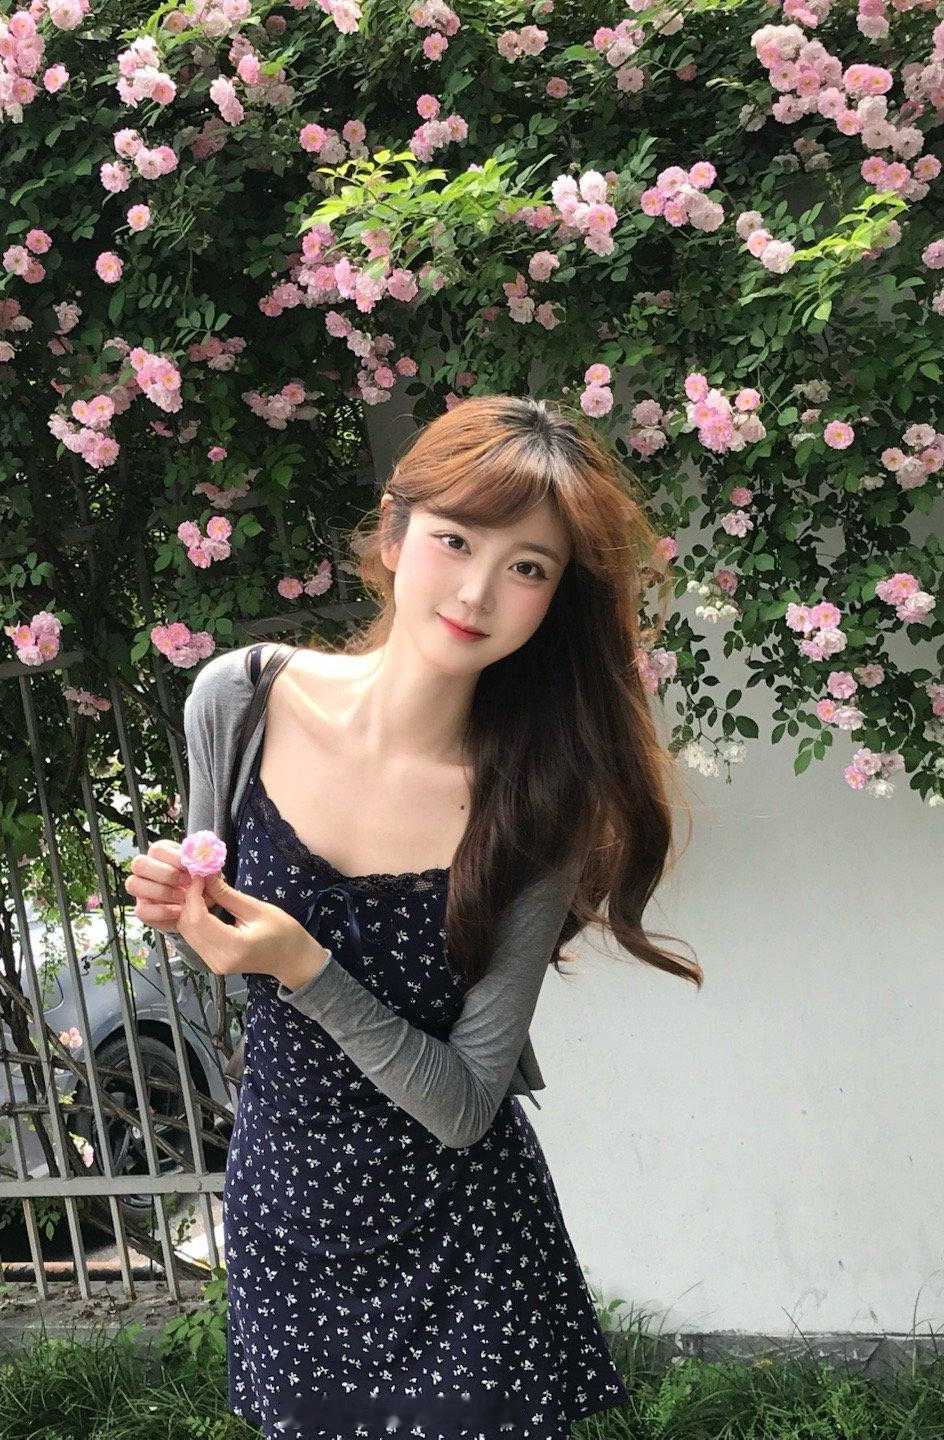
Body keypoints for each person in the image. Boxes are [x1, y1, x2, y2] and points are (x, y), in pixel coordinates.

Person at [126, 394, 700, 1437]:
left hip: (466, 1249)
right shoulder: (239, 702)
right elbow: (212, 919)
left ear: (555, 599)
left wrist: (307, 967)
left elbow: (467, 1104)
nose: (478, 591)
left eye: (529, 567)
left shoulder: (542, 803)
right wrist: (177, 897)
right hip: (288, 1215)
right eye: (455, 540)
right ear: (394, 534)